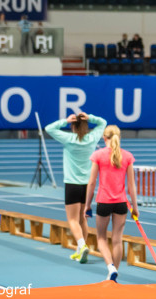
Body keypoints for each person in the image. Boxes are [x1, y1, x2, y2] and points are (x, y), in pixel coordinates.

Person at [45, 111, 107, 264]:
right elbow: (103, 122)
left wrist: (64, 121)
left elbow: (49, 128)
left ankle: (81, 245)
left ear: (73, 126)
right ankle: (80, 250)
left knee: (72, 220)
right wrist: (91, 118)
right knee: (82, 219)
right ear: (86, 126)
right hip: (87, 186)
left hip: (72, 184)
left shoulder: (69, 139)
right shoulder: (92, 139)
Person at [84, 125, 136, 283]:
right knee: (117, 240)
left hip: (104, 202)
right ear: (119, 137)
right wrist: (135, 207)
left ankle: (110, 267)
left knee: (101, 238)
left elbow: (92, 182)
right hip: (121, 203)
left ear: (104, 138)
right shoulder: (127, 156)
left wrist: (87, 205)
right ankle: (114, 275)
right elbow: (131, 185)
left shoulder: (98, 155)